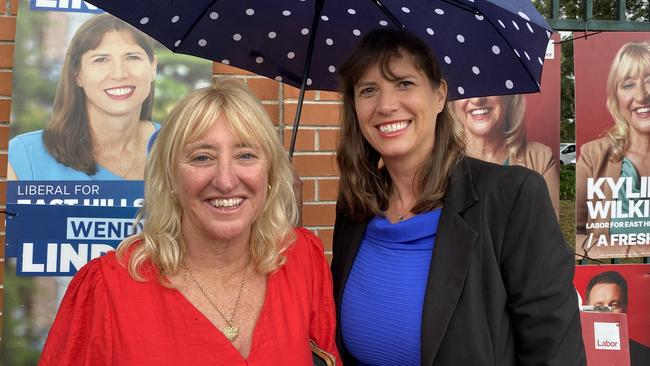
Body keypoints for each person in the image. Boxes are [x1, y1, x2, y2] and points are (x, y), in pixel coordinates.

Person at [39, 79, 339, 365]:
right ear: (171, 177)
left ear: (270, 174)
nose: (225, 180)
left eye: (245, 155)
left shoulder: (302, 259)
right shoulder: (107, 291)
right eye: (201, 158)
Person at [331, 28, 585, 365]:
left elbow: (555, 352)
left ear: (439, 95)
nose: (386, 105)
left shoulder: (511, 199)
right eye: (368, 90)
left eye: (404, 83)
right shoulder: (355, 207)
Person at [8, 13, 159, 180]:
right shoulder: (24, 157)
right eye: (101, 60)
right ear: (77, 73)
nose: (119, 74)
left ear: (153, 67)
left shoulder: (178, 149)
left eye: (132, 57)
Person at [576, 41, 650, 258]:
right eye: (628, 85)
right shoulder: (593, 156)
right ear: (616, 97)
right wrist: (634, 251)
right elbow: (573, 237)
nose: (642, 95)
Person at [451, 94, 560, 217]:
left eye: (490, 84)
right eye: (467, 88)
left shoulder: (541, 157)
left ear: (511, 97)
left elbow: (550, 231)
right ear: (451, 103)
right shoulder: (437, 161)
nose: (477, 100)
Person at [585, 271, 650, 365]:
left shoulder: (645, 356)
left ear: (625, 307)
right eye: (599, 306)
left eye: (614, 305)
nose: (607, 311)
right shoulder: (573, 356)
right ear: (588, 309)